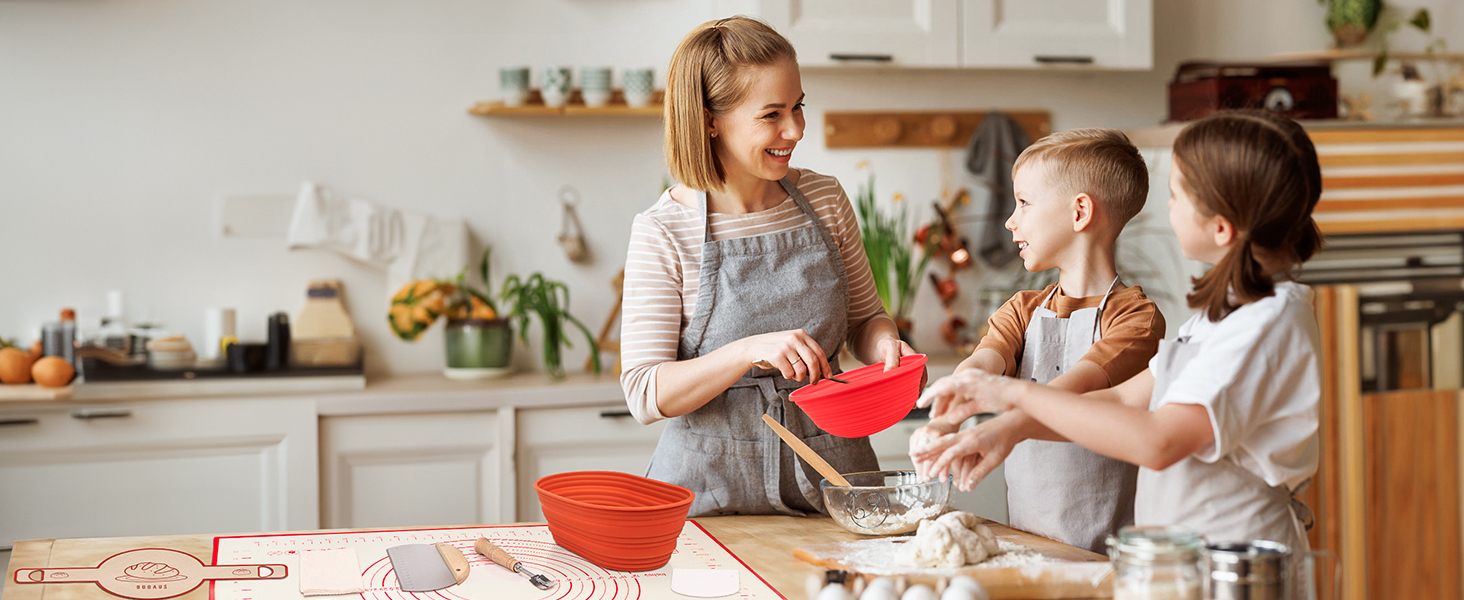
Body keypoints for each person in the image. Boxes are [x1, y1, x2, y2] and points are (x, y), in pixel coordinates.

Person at [919, 111, 1322, 584]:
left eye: (1177, 196)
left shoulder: (1265, 325)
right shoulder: (1223, 316)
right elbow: (1123, 399)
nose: (1167, 209)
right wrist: (1000, 430)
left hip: (1235, 568)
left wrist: (1015, 396)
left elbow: (1158, 440)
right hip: (1187, 566)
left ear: (1221, 228)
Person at [618, 16, 917, 518]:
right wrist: (748, 350)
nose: (795, 130)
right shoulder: (665, 229)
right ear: (711, 119)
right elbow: (646, 393)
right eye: (772, 114)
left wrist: (886, 345)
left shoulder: (824, 198)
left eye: (798, 107)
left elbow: (866, 321)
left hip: (833, 484)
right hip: (706, 497)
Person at [907, 128, 1164, 553]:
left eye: (1024, 202)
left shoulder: (1136, 319)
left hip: (1111, 557)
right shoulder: (1022, 308)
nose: (1011, 219)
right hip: (1029, 545)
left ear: (1080, 212)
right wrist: (944, 421)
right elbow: (981, 368)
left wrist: (1001, 430)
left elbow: (1072, 393)